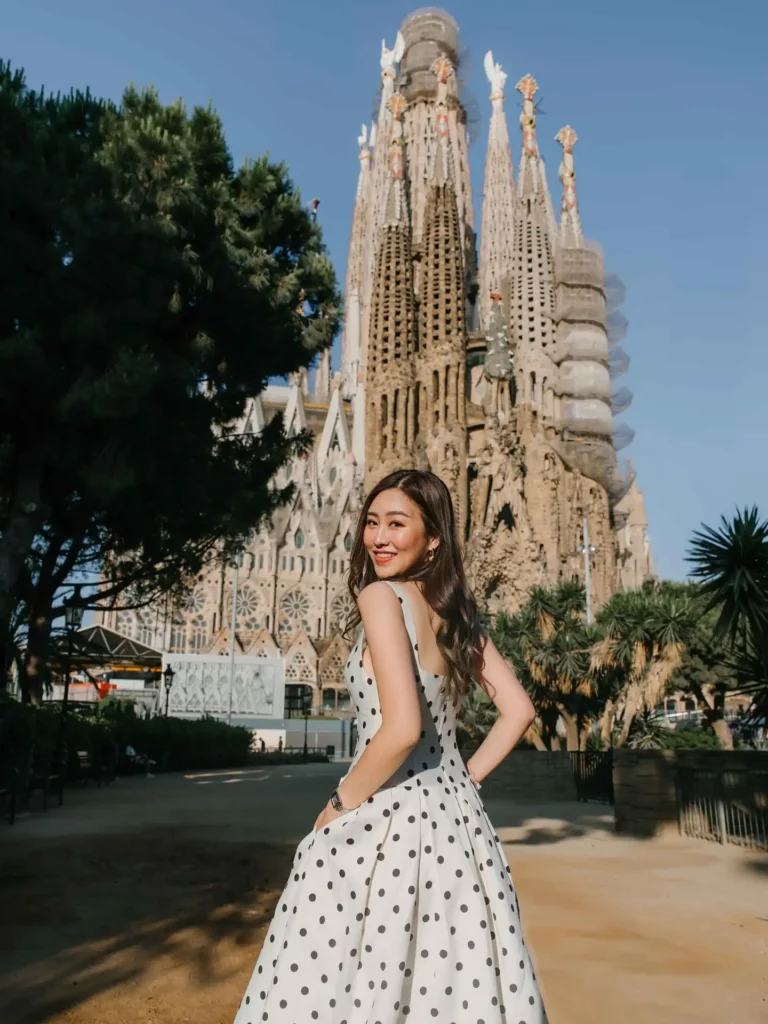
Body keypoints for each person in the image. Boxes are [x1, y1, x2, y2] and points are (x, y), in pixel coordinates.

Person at [233, 469, 546, 1023]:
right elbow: (518, 710)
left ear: (432, 539)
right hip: (459, 828)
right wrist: (462, 780)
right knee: (446, 981)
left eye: (397, 524)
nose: (378, 537)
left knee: (347, 976)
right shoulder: (456, 616)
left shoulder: (381, 598)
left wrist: (338, 804)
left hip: (386, 819)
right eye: (372, 522)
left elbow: (400, 728)